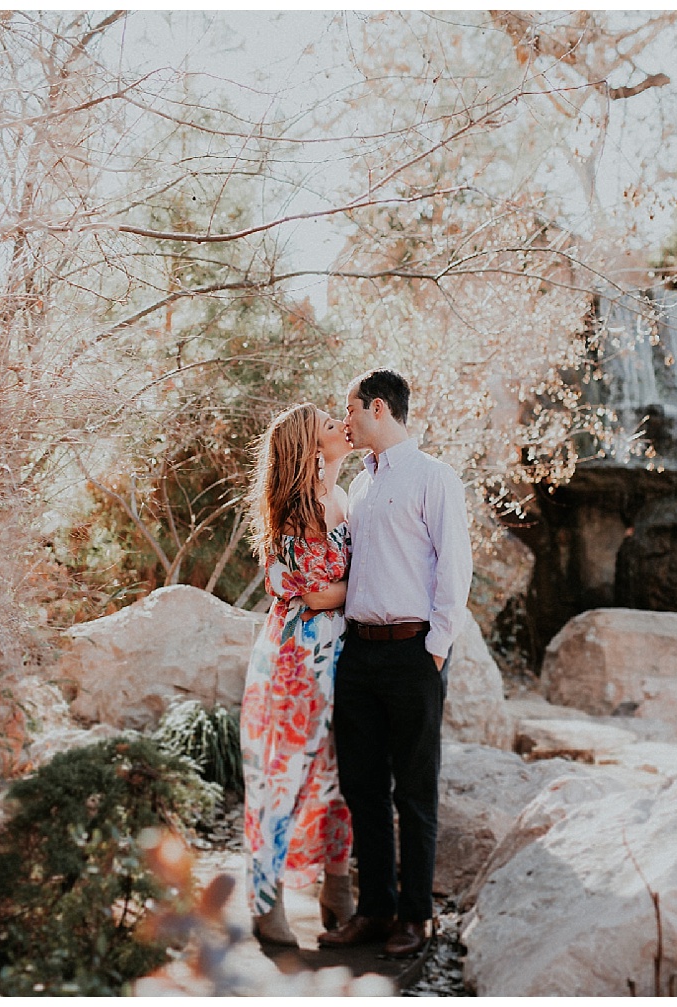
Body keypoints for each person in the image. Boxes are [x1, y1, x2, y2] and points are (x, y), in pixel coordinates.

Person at [318, 368, 473, 959]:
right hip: (359, 654)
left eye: (350, 409)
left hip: (414, 654)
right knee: (362, 788)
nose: (346, 420)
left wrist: (434, 650)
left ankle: (415, 917)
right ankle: (376, 911)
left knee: (414, 791)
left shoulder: (435, 478)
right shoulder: (360, 485)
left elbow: (453, 570)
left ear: (377, 408)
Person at [239, 402, 358, 946]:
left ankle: (336, 887)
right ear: (313, 448)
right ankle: (266, 902)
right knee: (283, 778)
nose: (341, 426)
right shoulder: (296, 512)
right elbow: (315, 594)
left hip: (340, 656)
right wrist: (368, 589)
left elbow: (333, 591)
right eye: (328, 426)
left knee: (339, 776)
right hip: (297, 663)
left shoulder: (337, 498)